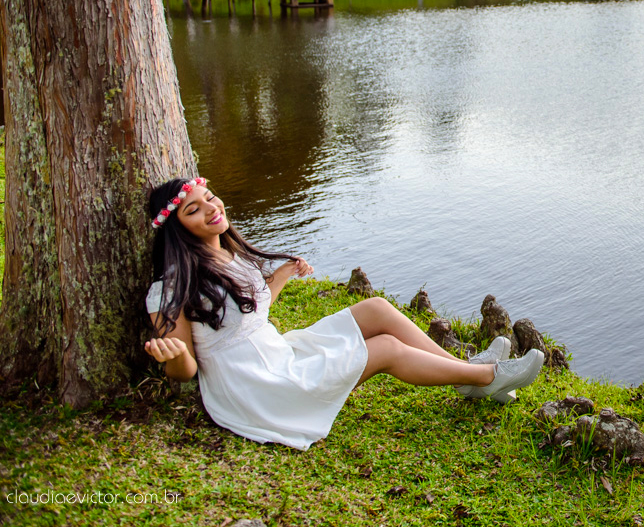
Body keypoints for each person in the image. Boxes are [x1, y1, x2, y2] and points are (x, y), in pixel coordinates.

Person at [142, 176, 543, 451]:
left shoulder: (228, 254)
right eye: (193, 210)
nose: (210, 209)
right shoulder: (171, 287)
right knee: (384, 348)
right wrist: (175, 357)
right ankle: (487, 377)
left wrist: (280, 276)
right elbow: (185, 371)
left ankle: (463, 371)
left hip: (278, 354)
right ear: (179, 229)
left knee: (377, 308)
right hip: (259, 387)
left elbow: (248, 313)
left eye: (208, 198)